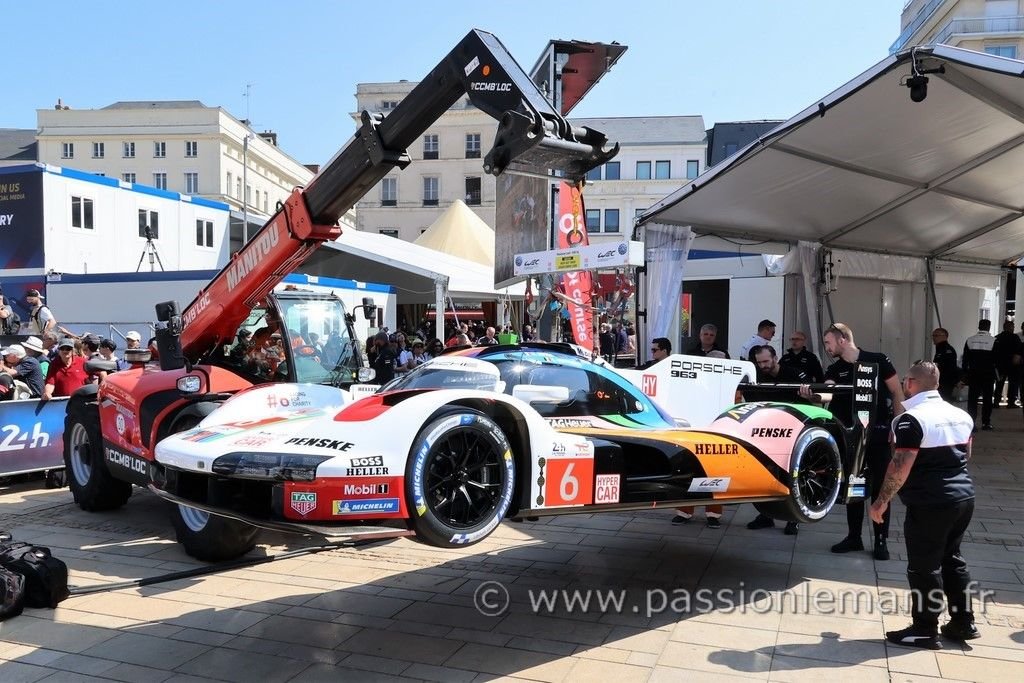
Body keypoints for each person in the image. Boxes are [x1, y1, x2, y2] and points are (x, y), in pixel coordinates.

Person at [870, 361, 979, 649]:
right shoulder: (961, 415)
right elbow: (966, 454)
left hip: (931, 503)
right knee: (953, 559)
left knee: (923, 567)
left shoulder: (909, 419)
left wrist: (880, 502)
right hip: (963, 498)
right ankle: (963, 622)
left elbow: (899, 467)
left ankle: (924, 629)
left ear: (909, 383)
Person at [809, 322, 904, 561]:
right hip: (850, 437)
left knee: (880, 487)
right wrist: (812, 394)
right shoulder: (834, 369)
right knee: (854, 484)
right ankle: (854, 537)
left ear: (842, 340)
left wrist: (898, 425)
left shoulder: (878, 359)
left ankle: (881, 540)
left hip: (879, 434)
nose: (827, 348)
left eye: (828, 342)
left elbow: (896, 392)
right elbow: (826, 392)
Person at [745, 345, 807, 535]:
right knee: (766, 473)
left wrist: (808, 395)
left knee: (792, 477)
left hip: (792, 431)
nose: (763, 365)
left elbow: (810, 403)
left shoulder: (794, 374)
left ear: (775, 358)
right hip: (766, 432)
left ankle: (793, 519)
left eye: (766, 361)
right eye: (760, 362)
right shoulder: (756, 377)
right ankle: (766, 515)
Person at [962, 319, 996, 431]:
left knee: (972, 398)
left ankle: (971, 423)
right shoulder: (993, 341)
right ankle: (986, 423)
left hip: (974, 373)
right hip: (988, 374)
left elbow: (965, 360)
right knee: (987, 398)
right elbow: (997, 359)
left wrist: (964, 374)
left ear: (979, 326)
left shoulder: (970, 340)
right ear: (989, 327)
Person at [992, 320, 1021, 408]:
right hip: (1012, 365)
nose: (1013, 328)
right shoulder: (1015, 337)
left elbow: (993, 352)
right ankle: (1011, 403)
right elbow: (1019, 350)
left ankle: (996, 402)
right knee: (1013, 384)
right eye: (1013, 327)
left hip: (1000, 365)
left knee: (999, 384)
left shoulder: (997, 338)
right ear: (1010, 327)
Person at [932, 328, 959, 402]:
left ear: (945, 336)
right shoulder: (940, 348)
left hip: (945, 382)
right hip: (940, 381)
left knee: (944, 401)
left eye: (936, 335)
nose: (934, 338)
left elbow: (950, 368)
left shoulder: (947, 350)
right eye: (933, 335)